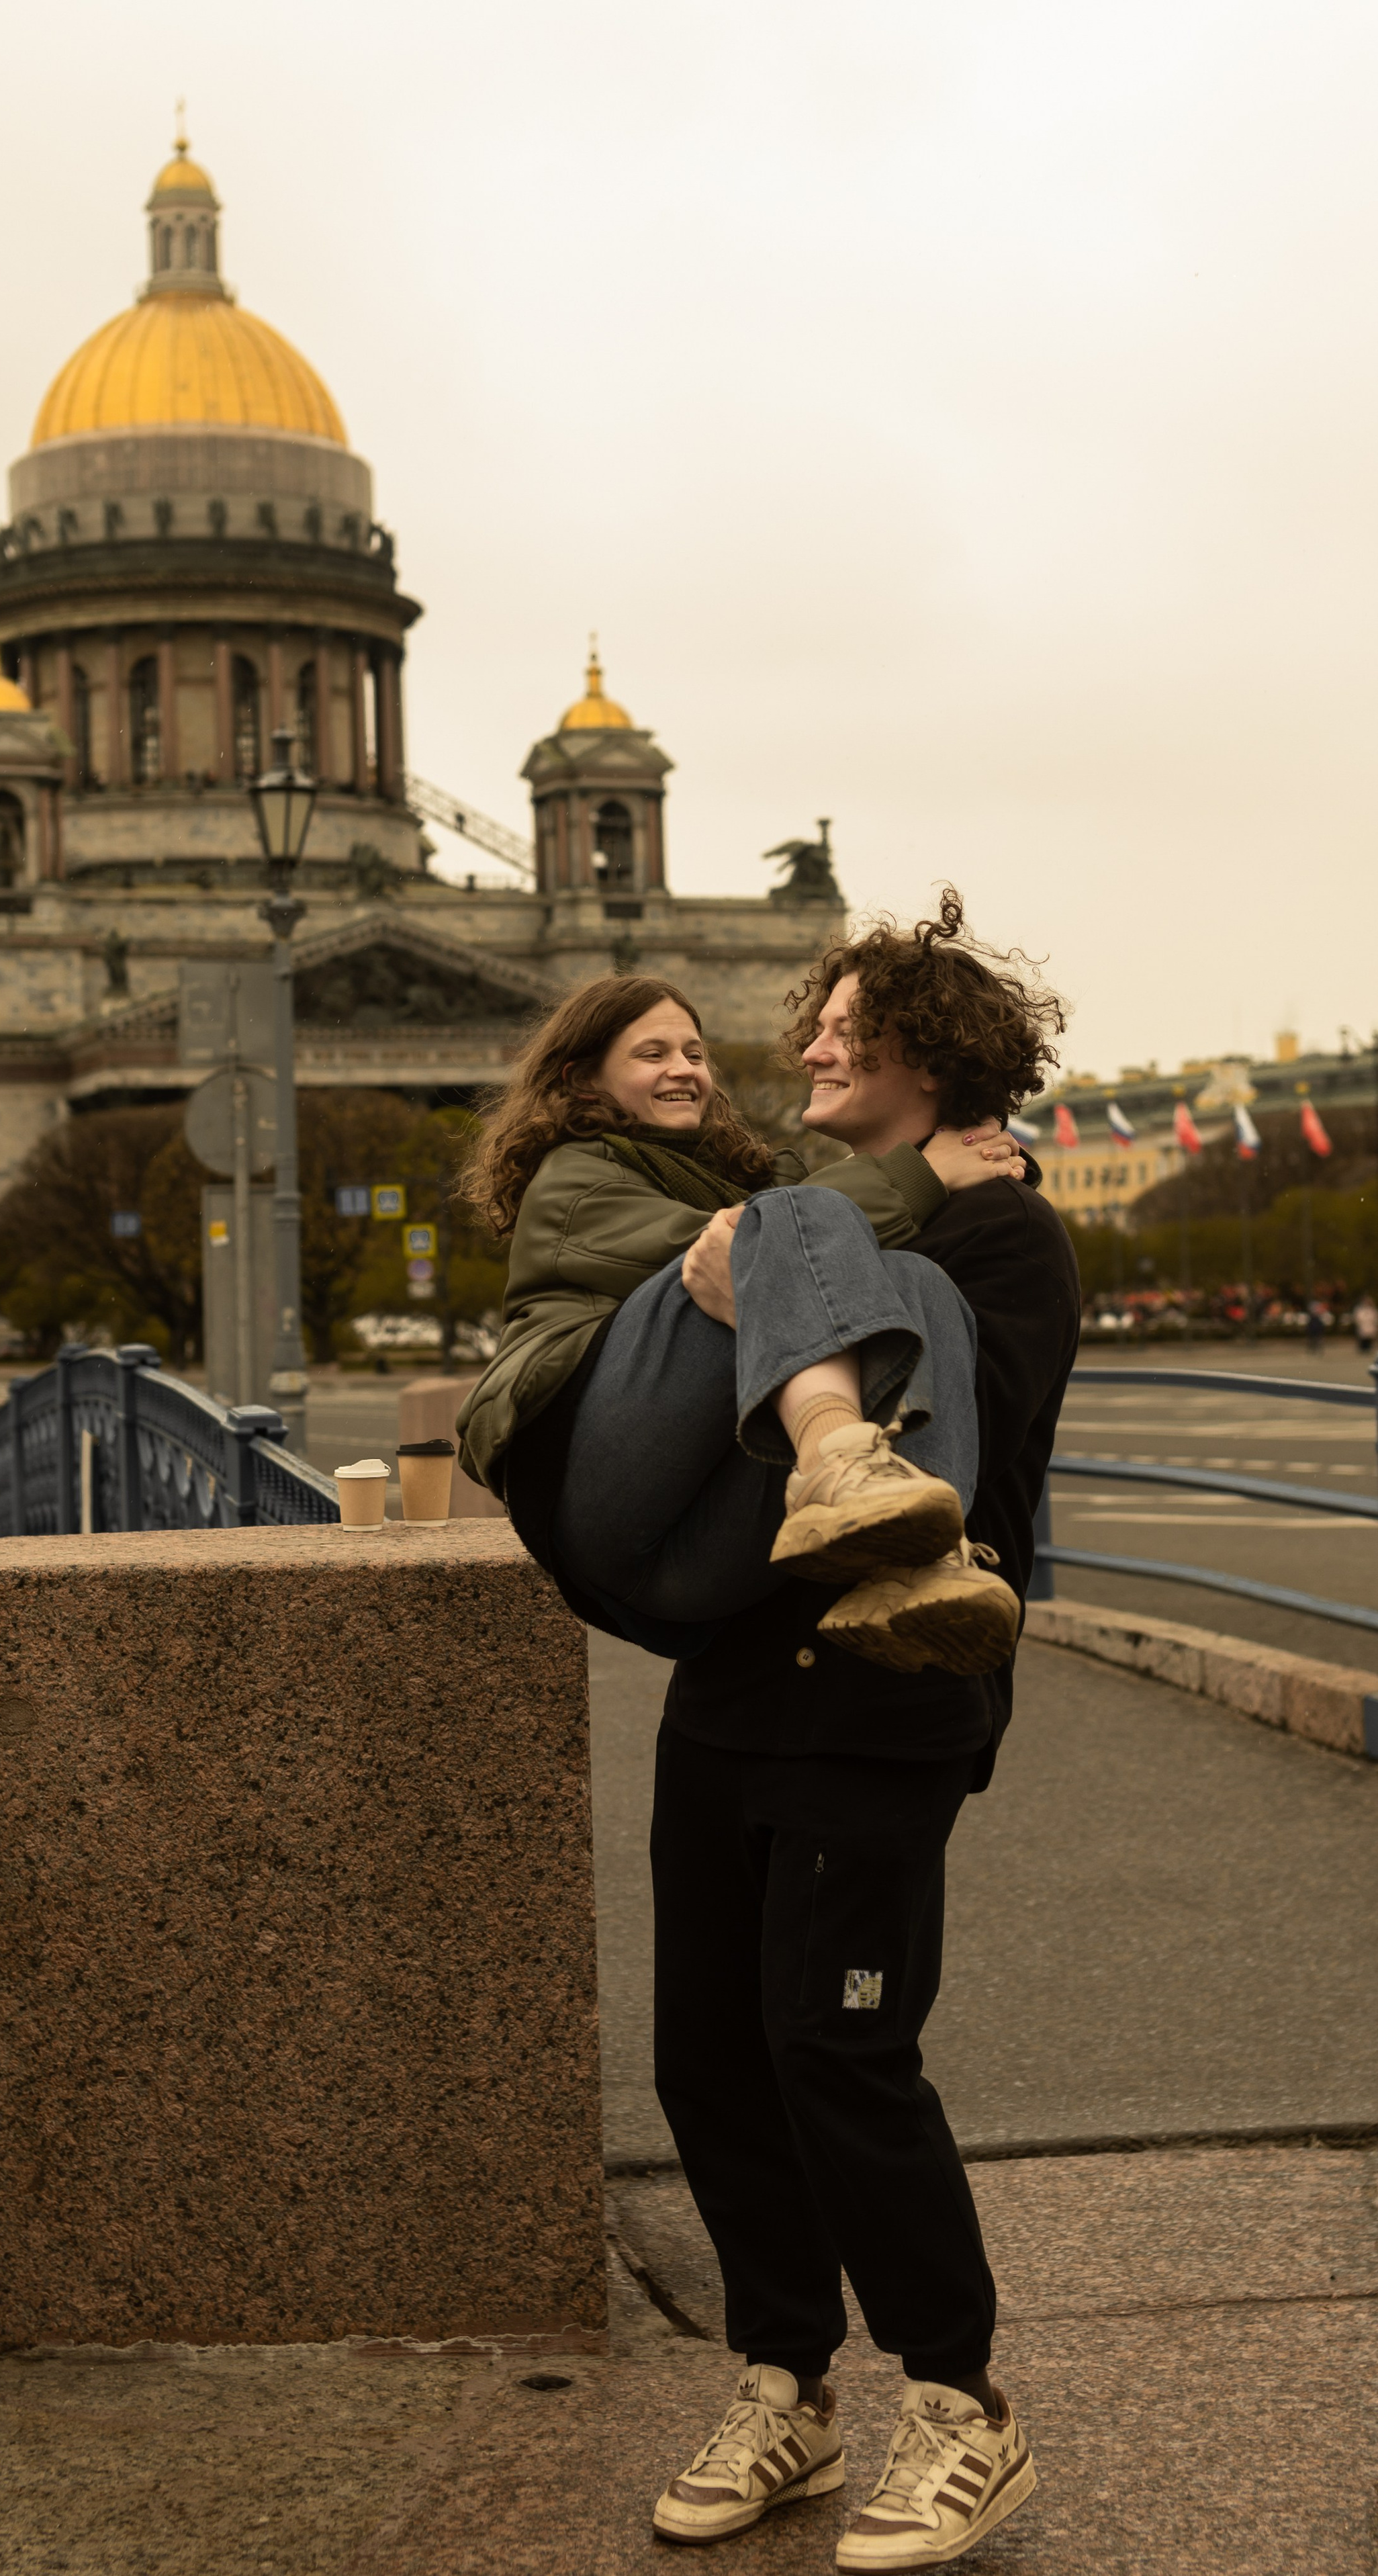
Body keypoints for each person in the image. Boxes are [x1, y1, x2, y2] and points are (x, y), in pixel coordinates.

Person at [460, 893, 1079, 2569]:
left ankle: (959, 2402)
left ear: (923, 1055)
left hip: (891, 1683)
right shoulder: (759, 1207)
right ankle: (783, 2378)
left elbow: (987, 1445)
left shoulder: (1000, 1229)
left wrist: (828, 1310)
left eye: (841, 1027)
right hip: (738, 1676)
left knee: (838, 2047)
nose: (800, 1044)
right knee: (710, 2055)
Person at [458, 980, 1025, 1675]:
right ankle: (837, 1456)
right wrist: (923, 1175)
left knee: (917, 1282)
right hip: (607, 1506)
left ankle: (922, 1564)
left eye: (694, 1051)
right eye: (651, 1053)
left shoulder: (740, 1176)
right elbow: (739, 1247)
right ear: (581, 1080)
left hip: (710, 1541)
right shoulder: (573, 1183)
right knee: (767, 1222)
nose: (683, 1067)